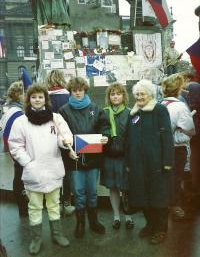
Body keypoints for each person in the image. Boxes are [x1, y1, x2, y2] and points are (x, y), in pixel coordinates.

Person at [8, 84, 73, 255]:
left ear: (46, 99)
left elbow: (64, 135)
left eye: (40, 97)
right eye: (34, 97)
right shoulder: (20, 121)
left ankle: (57, 233)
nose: (37, 100)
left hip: (53, 169)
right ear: (28, 99)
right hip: (33, 171)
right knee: (35, 206)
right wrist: (28, 163)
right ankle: (36, 238)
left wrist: (65, 141)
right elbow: (15, 146)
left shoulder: (56, 118)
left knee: (54, 204)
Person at [59, 77, 110, 239]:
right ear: (71, 92)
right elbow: (61, 134)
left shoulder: (96, 108)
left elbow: (105, 126)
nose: (78, 93)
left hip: (93, 158)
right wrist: (66, 146)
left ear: (85, 90)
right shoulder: (63, 111)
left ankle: (93, 221)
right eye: (75, 90)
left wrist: (106, 137)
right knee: (79, 193)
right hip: (74, 159)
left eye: (80, 90)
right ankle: (80, 223)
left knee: (92, 192)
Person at [126, 79, 174, 244]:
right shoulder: (133, 114)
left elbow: (167, 136)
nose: (139, 97)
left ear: (150, 94)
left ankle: (161, 229)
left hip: (157, 164)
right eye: (137, 94)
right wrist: (128, 163)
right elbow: (128, 141)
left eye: (142, 94)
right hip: (138, 165)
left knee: (159, 198)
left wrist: (167, 161)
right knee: (143, 196)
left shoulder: (159, 110)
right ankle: (150, 225)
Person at [161, 74, 195, 221]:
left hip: (162, 148)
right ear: (178, 89)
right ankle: (175, 206)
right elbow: (190, 130)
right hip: (177, 147)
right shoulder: (180, 106)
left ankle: (167, 205)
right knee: (177, 177)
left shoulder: (159, 104)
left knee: (166, 178)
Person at [101, 82, 134, 230]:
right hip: (108, 156)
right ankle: (116, 216)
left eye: (118, 93)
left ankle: (128, 216)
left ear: (123, 96)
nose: (115, 96)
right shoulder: (104, 113)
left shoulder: (130, 113)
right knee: (113, 187)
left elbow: (134, 137)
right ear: (109, 97)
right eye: (112, 94)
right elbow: (99, 131)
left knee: (126, 187)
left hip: (124, 157)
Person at [45, 69, 75, 216]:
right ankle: (67, 202)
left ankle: (54, 202)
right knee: (67, 172)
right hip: (65, 139)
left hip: (48, 141)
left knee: (52, 172)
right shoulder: (69, 97)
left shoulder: (44, 97)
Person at [0, 81, 28, 217]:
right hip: (19, 152)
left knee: (18, 178)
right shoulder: (17, 113)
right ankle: (23, 208)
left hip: (16, 152)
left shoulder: (11, 109)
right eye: (25, 94)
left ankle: (23, 208)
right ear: (17, 95)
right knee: (20, 179)